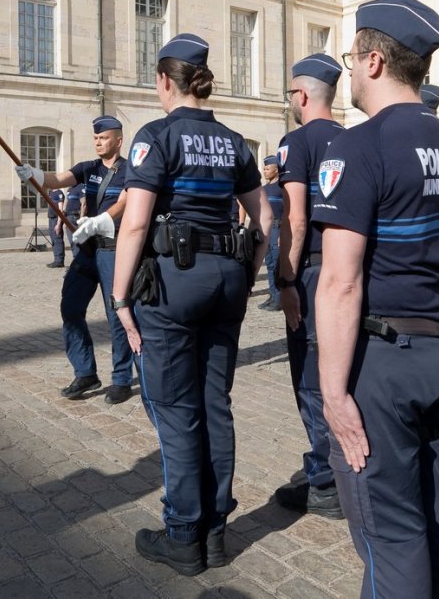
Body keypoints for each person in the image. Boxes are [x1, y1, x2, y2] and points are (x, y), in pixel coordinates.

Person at [312, 0, 439, 599]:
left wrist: (333, 393)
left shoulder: (358, 146)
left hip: (386, 360)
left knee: (390, 529)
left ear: (374, 61)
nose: (350, 74)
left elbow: (340, 281)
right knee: (435, 505)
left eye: (351, 60)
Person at [108, 33, 269, 576]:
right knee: (215, 405)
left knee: (177, 410)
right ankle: (215, 532)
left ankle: (183, 535)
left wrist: (120, 297)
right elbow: (265, 219)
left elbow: (135, 223)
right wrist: (247, 274)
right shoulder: (235, 141)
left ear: (163, 81)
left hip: (174, 282)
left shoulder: (156, 136)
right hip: (227, 279)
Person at [271, 53, 345, 520]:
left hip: (314, 273)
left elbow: (294, 219)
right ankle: (341, 466)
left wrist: (285, 278)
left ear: (300, 95)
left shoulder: (296, 142)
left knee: (312, 380)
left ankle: (325, 481)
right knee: (345, 374)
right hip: (352, 272)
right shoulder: (355, 138)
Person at [15, 116, 134, 404]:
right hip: (88, 251)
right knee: (70, 307)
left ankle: (121, 379)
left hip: (114, 250)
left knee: (116, 315)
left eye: (103, 138)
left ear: (118, 140)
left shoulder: (131, 170)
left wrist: (101, 220)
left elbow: (126, 201)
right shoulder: (87, 168)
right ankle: (85, 372)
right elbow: (58, 179)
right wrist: (34, 174)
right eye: (95, 138)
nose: (98, 142)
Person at [257, 155, 285, 310]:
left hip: (277, 228)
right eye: (264, 168)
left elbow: (288, 211)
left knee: (276, 263)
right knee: (269, 264)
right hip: (266, 229)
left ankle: (279, 299)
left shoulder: (282, 188)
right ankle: (273, 294)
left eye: (268, 168)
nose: (265, 171)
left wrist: (282, 233)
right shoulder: (264, 189)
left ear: (276, 170)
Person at [46, 187, 66, 267]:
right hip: (51, 219)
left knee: (57, 239)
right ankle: (56, 259)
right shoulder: (51, 193)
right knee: (53, 240)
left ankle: (59, 261)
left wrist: (58, 224)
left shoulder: (59, 193)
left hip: (56, 219)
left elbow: (61, 210)